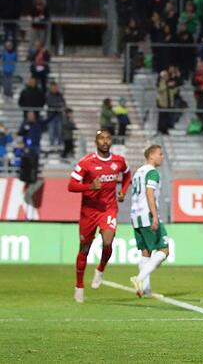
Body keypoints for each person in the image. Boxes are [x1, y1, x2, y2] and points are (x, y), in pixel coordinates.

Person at [67, 130, 131, 303]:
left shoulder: (118, 161)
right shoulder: (86, 163)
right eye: (101, 138)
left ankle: (100, 269)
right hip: (88, 212)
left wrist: (123, 191)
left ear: (111, 142)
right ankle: (79, 286)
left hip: (108, 209)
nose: (105, 141)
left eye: (108, 138)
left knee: (108, 241)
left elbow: (127, 174)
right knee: (84, 249)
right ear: (96, 141)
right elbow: (71, 186)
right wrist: (89, 186)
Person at [129, 145, 169, 298]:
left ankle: (145, 289)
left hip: (136, 216)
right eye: (160, 154)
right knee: (164, 250)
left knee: (145, 253)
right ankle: (138, 279)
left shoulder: (138, 172)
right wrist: (155, 216)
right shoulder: (152, 172)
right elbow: (149, 192)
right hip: (147, 215)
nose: (162, 157)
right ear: (151, 156)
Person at [46, 82, 66, 147]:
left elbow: (63, 104)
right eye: (53, 87)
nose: (55, 89)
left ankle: (60, 144)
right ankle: (51, 144)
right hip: (51, 116)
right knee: (51, 131)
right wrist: (57, 106)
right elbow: (50, 103)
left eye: (56, 87)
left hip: (59, 116)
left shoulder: (60, 95)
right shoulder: (48, 95)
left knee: (60, 131)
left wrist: (57, 106)